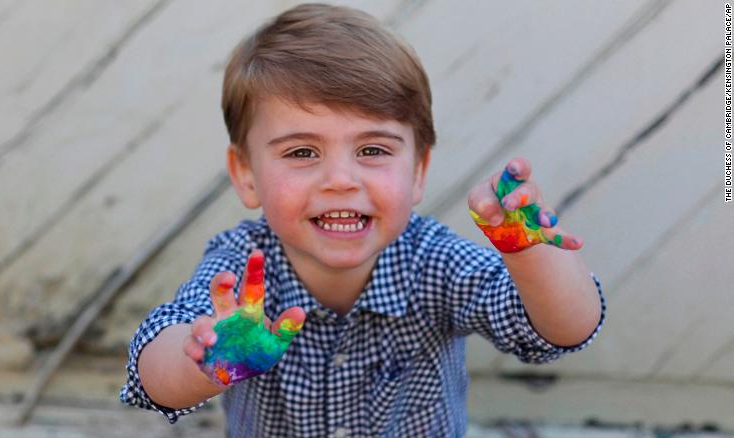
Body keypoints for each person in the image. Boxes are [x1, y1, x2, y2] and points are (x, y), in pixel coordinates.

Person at [120, 3, 605, 437]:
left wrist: (529, 254)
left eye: (372, 150)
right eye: (303, 151)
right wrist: (206, 362)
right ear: (246, 174)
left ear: (417, 172)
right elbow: (150, 375)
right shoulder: (242, 270)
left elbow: (559, 331)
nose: (340, 179)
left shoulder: (435, 261)